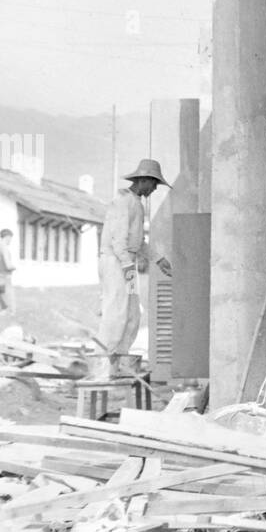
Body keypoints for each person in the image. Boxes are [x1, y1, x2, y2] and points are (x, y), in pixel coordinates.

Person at [98, 159, 173, 377]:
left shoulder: (137, 204)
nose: (154, 189)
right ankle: (102, 366)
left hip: (126, 262)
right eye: (154, 184)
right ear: (143, 180)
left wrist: (159, 259)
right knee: (116, 313)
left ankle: (120, 361)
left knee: (132, 314)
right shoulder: (123, 201)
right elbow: (118, 240)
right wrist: (127, 266)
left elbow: (137, 242)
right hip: (115, 262)